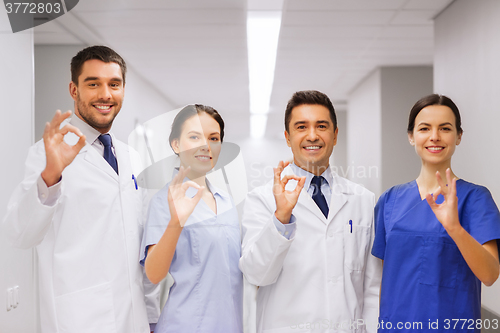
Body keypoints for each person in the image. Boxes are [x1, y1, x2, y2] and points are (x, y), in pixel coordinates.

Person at [2, 46, 157, 333]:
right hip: (81, 319)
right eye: (93, 84)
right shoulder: (45, 155)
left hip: (133, 317)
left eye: (114, 84)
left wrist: (151, 315)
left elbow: (137, 244)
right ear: (74, 90)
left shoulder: (130, 157)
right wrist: (50, 175)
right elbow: (19, 234)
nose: (105, 94)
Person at [239, 90, 382, 333]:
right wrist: (281, 218)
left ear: (335, 135)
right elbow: (256, 275)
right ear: (287, 136)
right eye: (301, 127)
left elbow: (372, 288)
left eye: (322, 126)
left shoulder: (363, 200)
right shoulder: (261, 199)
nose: (312, 135)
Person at [372, 94, 500, 332]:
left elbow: (491, 274)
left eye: (445, 128)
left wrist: (455, 229)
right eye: (424, 128)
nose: (434, 137)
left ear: (458, 136)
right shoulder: (390, 200)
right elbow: (385, 280)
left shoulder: (476, 199)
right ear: (411, 136)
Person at [140, 105, 243, 333]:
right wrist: (176, 221)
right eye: (194, 136)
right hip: (185, 325)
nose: (205, 145)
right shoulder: (163, 200)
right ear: (175, 144)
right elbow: (154, 274)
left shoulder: (226, 202)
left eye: (213, 138)